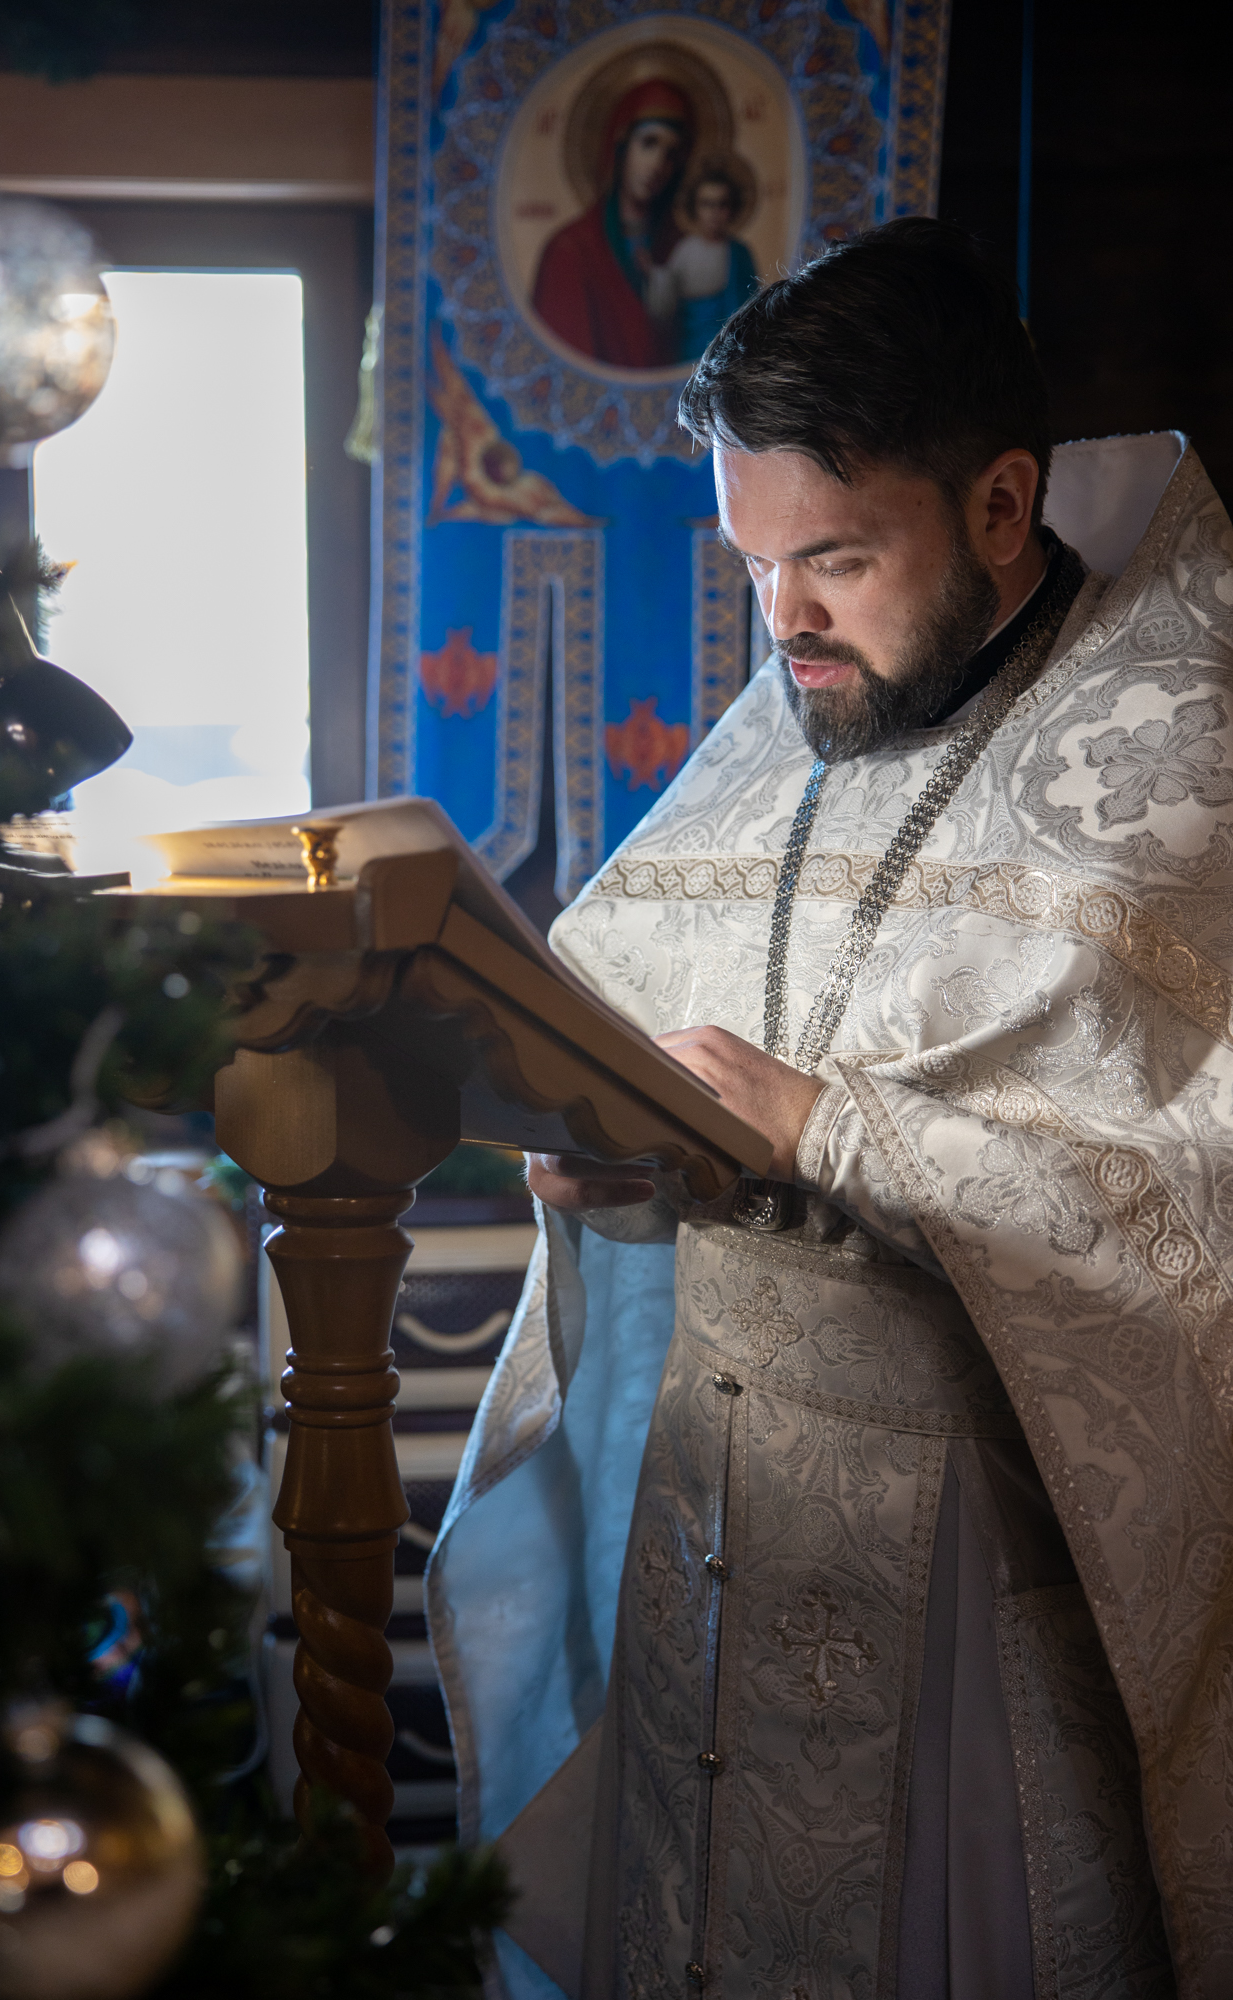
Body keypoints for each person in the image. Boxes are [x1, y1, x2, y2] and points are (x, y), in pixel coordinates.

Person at [431, 218, 1233, 1999]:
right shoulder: (813, 697)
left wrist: (833, 1134)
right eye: (751, 561)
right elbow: (662, 1030)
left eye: (835, 559)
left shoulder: (1179, 758)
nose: (780, 620)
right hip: (702, 1545)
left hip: (969, 1591)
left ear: (1002, 505)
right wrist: (615, 1148)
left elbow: (1193, 1194)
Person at [531, 77, 692, 369]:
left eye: (671, 154)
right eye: (649, 143)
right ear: (621, 146)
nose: (657, 164)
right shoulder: (569, 250)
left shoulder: (682, 247)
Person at [648, 166, 760, 361]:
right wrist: (653, 274)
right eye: (707, 204)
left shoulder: (740, 253)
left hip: (732, 351)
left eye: (722, 204)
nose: (714, 212)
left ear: (731, 209)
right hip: (691, 352)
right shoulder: (685, 250)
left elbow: (753, 305)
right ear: (695, 208)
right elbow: (666, 302)